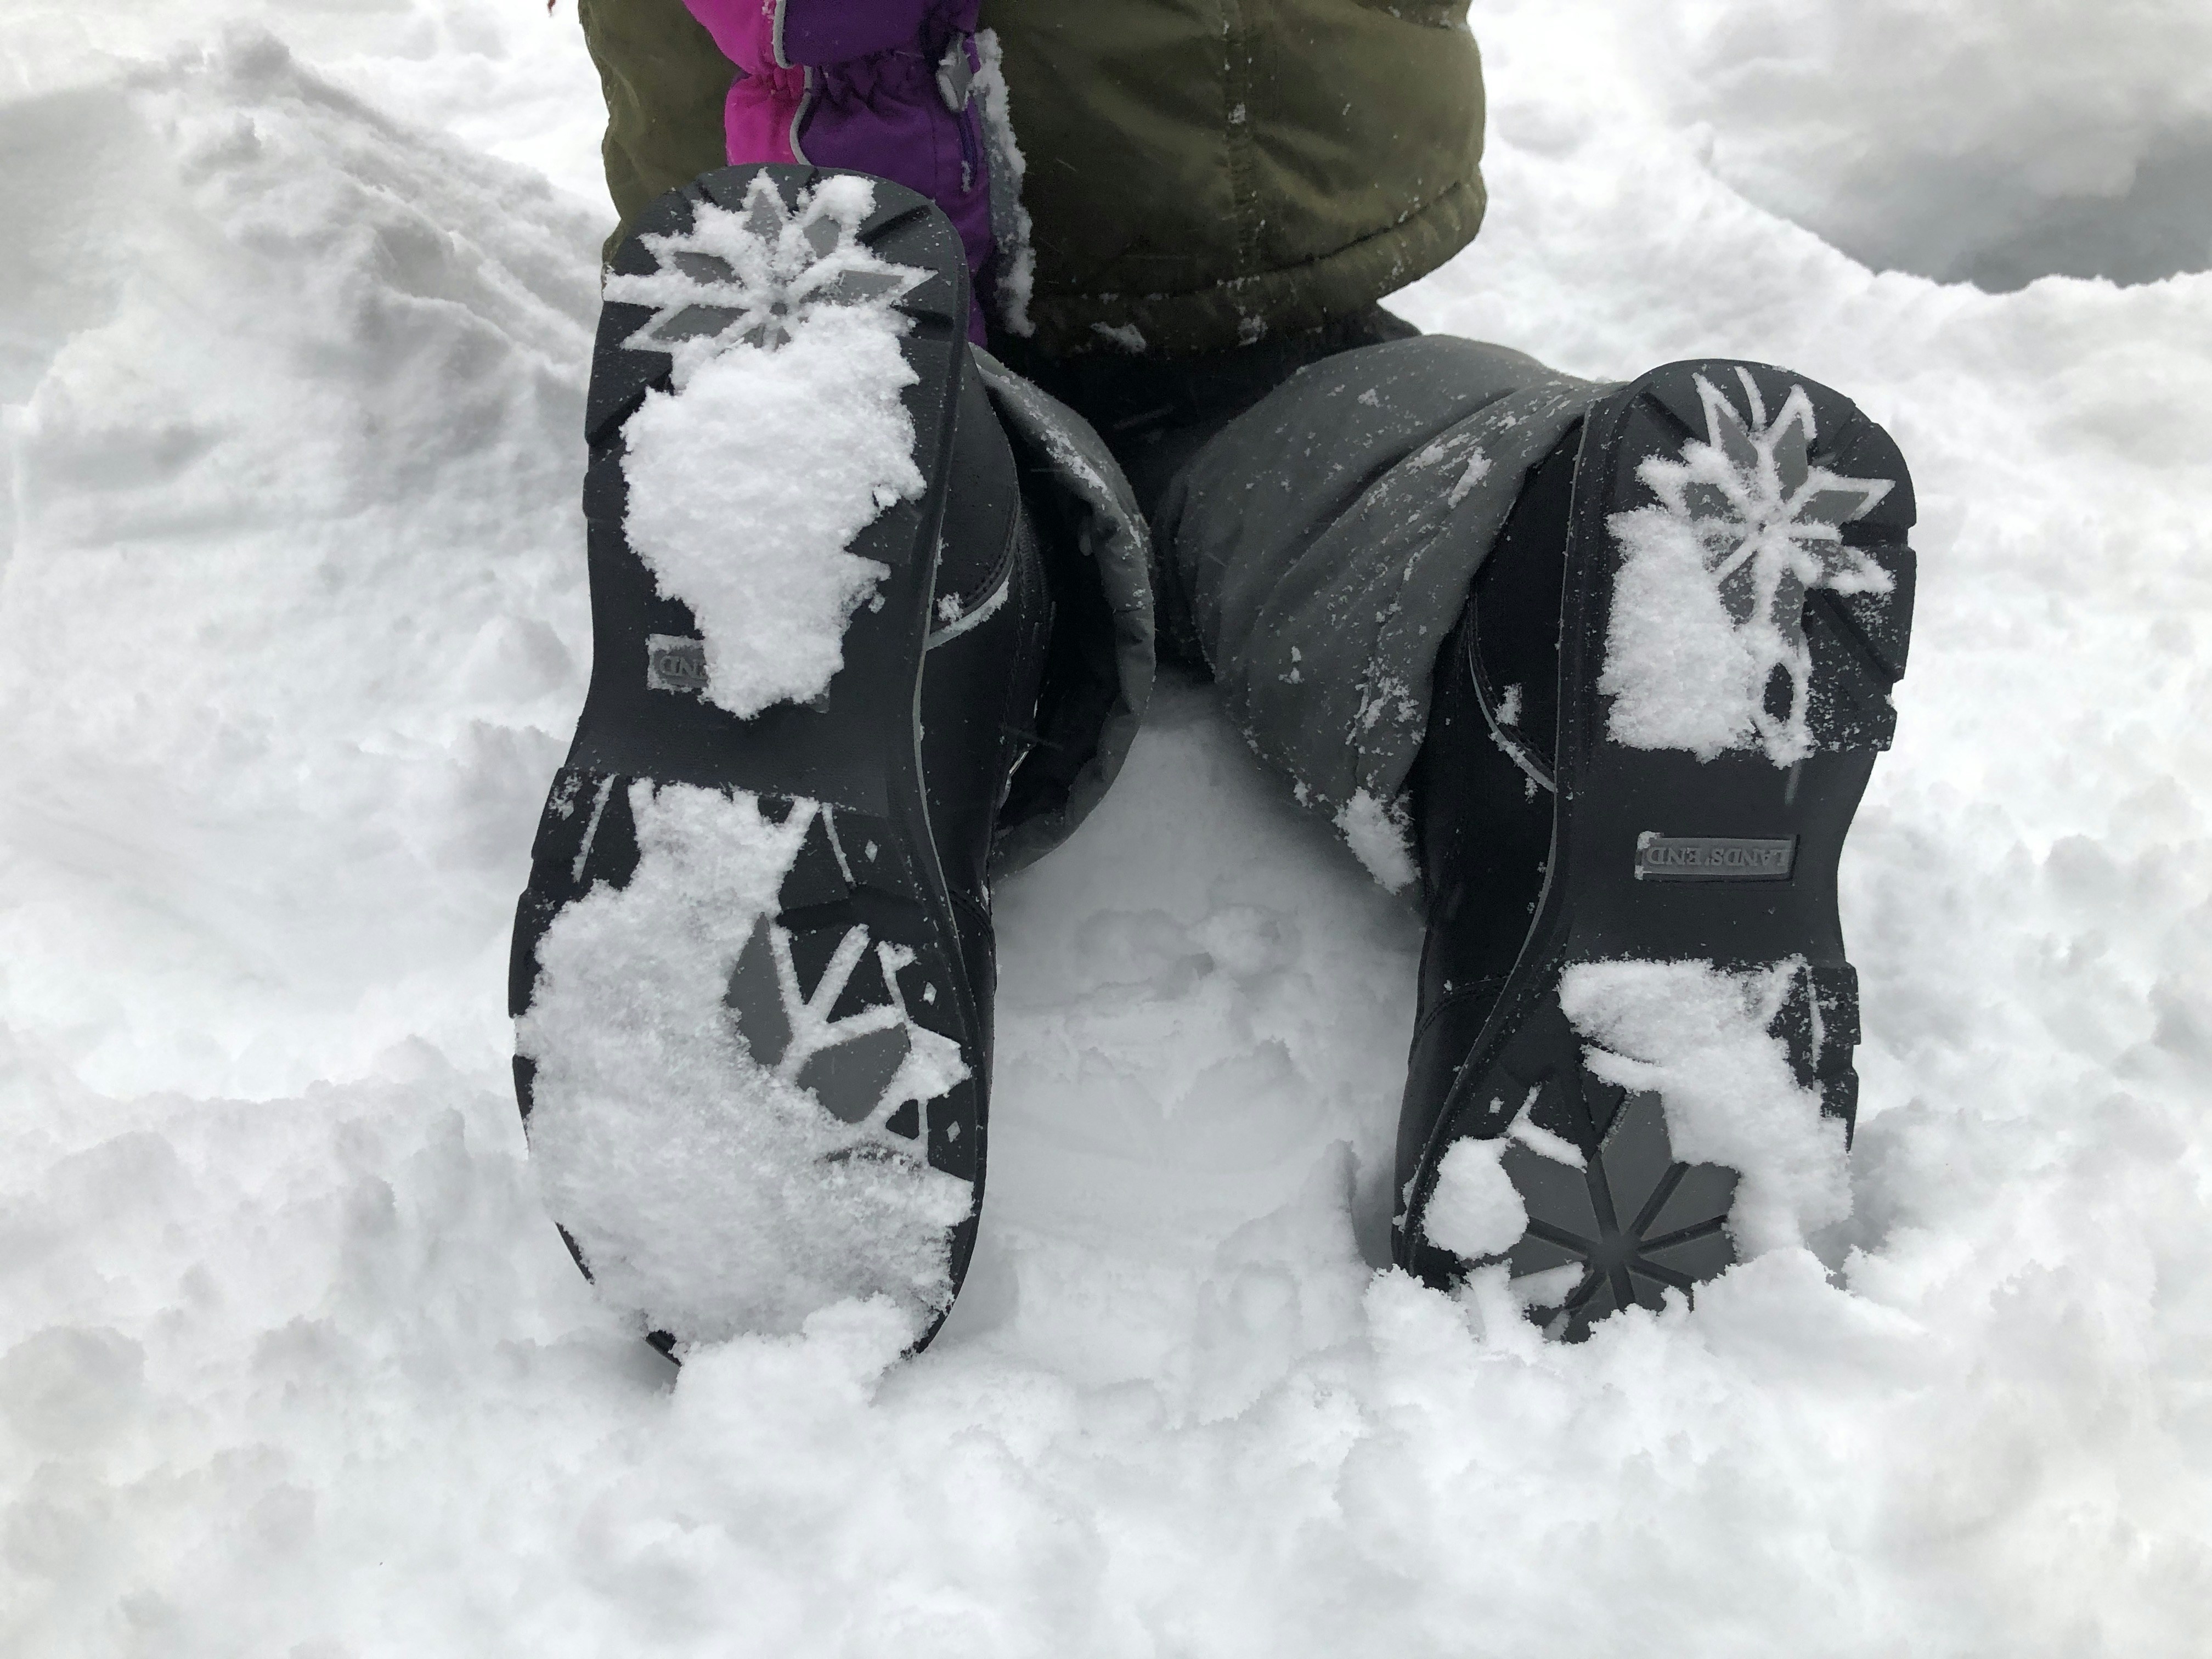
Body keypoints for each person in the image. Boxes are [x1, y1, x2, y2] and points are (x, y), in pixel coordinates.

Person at [509, 0, 1920, 1353]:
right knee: (1390, 491)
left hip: (868, 258)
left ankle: (856, 552)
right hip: (1255, 245)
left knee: (941, 483)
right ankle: (1549, 576)